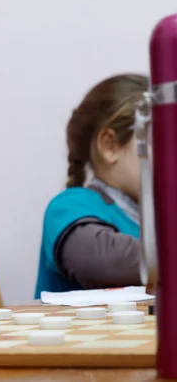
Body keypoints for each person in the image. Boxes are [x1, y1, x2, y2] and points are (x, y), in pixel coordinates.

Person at [34, 73, 147, 298]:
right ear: (110, 146)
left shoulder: (160, 221)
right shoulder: (70, 205)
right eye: (164, 141)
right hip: (79, 334)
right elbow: (102, 261)